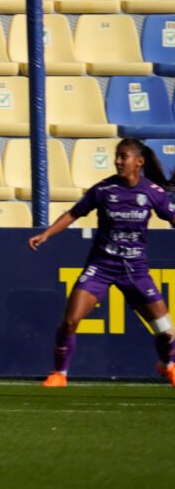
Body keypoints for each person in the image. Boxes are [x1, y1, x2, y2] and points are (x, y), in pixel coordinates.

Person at [29, 138, 175, 388]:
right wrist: (46, 233)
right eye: (117, 156)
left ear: (138, 162)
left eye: (124, 156)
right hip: (101, 267)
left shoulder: (152, 192)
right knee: (70, 321)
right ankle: (59, 374)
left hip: (135, 270)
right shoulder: (104, 190)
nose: (118, 161)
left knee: (165, 330)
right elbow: (73, 213)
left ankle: (168, 365)